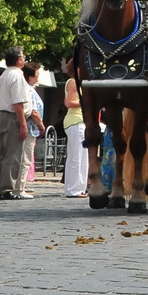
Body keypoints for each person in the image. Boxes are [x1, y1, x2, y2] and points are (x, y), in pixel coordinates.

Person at [0, 48, 34, 200]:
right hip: (12, 116)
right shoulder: (17, 76)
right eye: (23, 57)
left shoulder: (4, 75)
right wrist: (23, 124)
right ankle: (7, 188)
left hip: (2, 115)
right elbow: (18, 103)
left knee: (3, 154)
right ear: (18, 59)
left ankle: (2, 185)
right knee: (14, 154)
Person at [62, 68, 86, 199]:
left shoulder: (79, 82)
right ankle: (73, 189)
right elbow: (69, 102)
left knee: (81, 158)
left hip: (80, 121)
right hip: (75, 120)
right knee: (76, 157)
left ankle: (77, 188)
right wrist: (85, 102)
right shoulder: (73, 82)